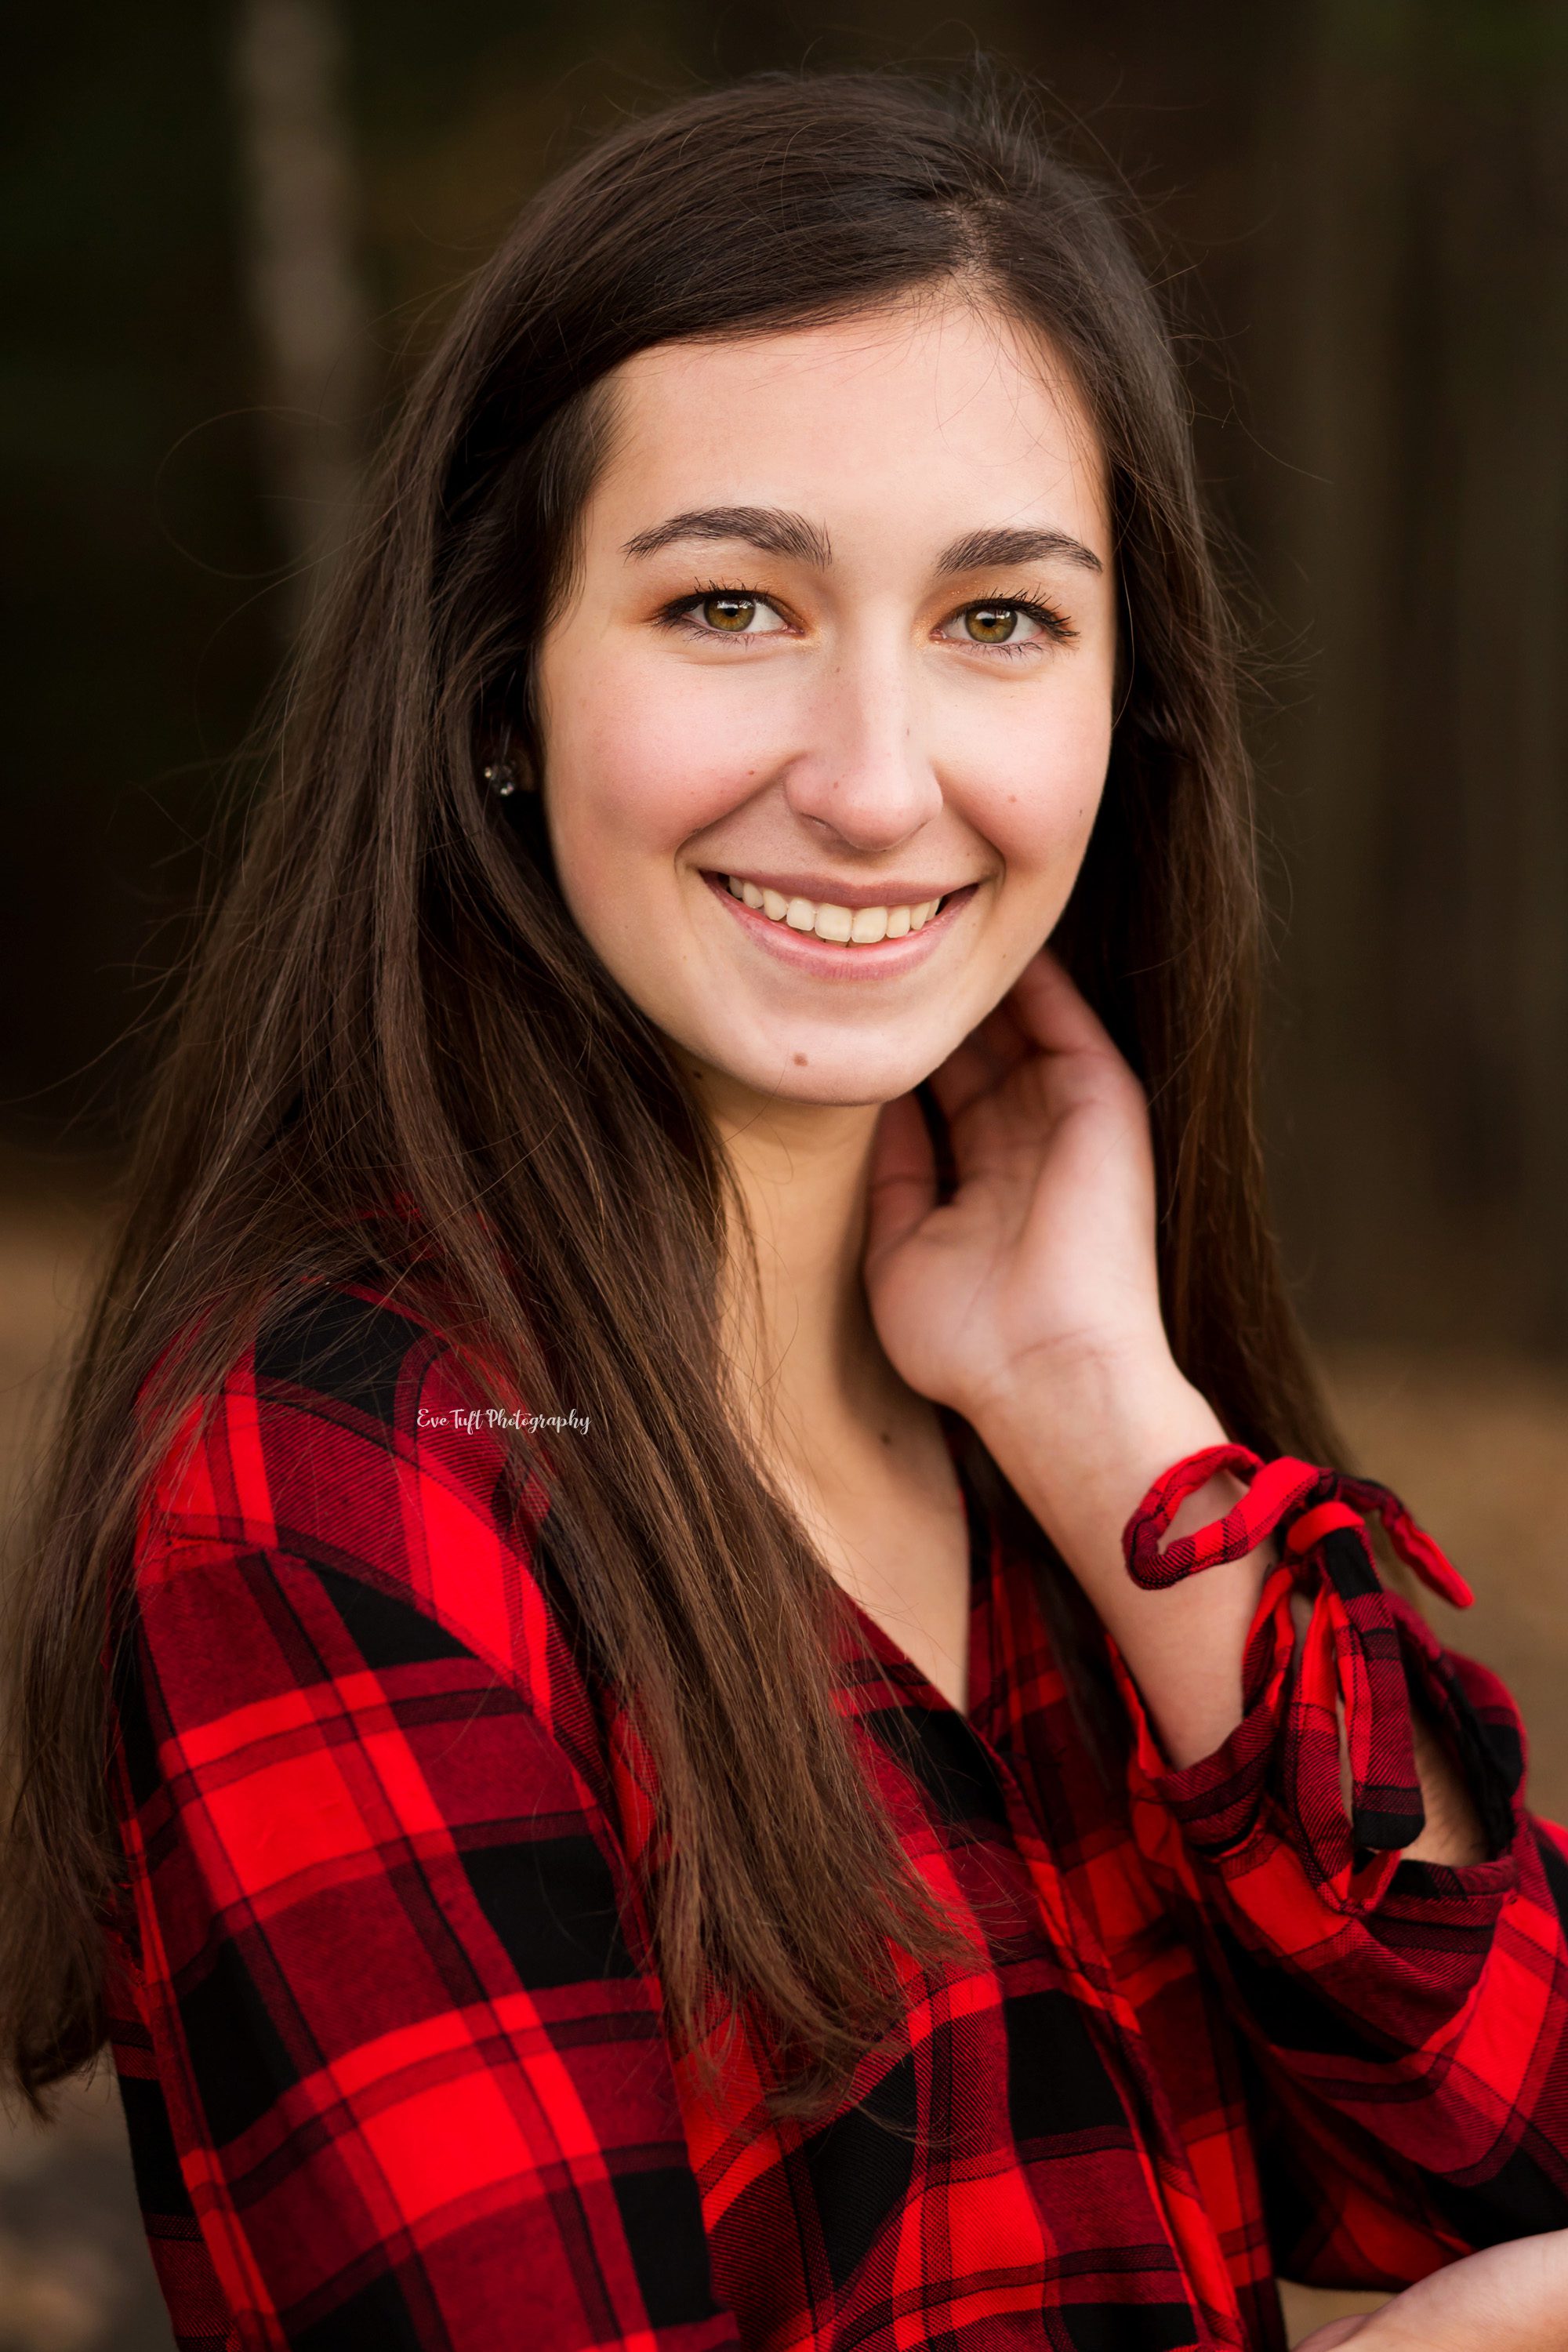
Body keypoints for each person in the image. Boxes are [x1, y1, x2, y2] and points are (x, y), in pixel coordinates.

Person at [3, 71, 1566, 2352]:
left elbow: (1512, 2149)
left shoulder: (1052, 1421)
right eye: (730, 604)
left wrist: (1117, 1428)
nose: (869, 779)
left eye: (1002, 622)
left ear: (1133, 710)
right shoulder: (353, 1488)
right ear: (499, 692)